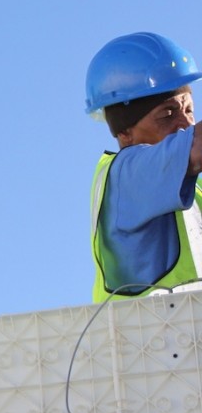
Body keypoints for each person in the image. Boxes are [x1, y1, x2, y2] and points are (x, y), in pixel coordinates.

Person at [85, 32, 202, 302]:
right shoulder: (126, 178)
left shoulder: (189, 184)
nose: (185, 124)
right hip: (139, 341)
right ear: (125, 132)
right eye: (168, 114)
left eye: (189, 110)